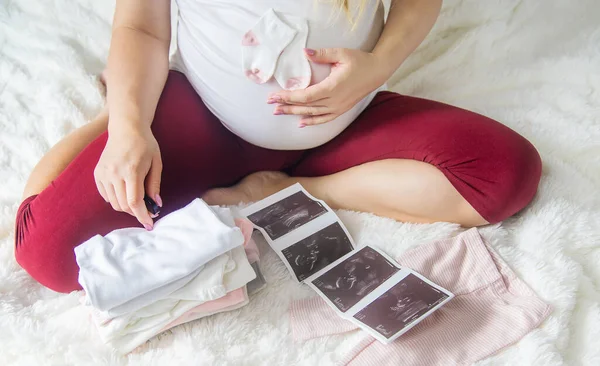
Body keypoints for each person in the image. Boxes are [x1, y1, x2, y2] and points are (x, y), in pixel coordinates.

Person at [14, 0, 542, 293]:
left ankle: (289, 185)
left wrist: (377, 67)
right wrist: (129, 125)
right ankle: (117, 115)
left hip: (344, 122)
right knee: (47, 253)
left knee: (504, 174)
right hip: (204, 120)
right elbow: (140, 25)